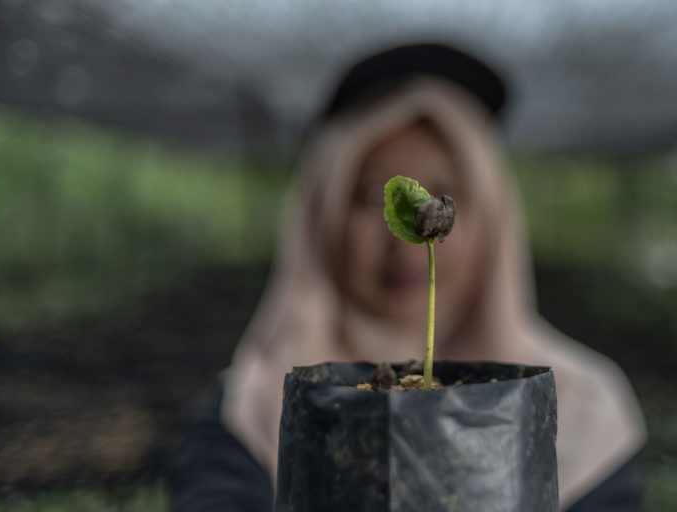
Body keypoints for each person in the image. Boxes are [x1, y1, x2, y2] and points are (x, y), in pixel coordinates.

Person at [168, 43, 647, 511]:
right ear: (322, 217)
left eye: (450, 192)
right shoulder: (249, 414)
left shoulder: (584, 410)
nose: (411, 238)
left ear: (494, 218)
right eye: (368, 195)